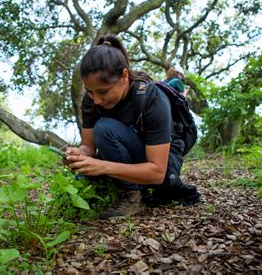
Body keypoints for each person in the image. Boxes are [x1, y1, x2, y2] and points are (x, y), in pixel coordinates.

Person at [64, 35, 198, 219]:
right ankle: (123, 187)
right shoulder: (91, 101)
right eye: (90, 92)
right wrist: (79, 155)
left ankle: (132, 197)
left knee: (104, 128)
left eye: (103, 91)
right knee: (89, 160)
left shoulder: (151, 98)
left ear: (124, 76)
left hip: (161, 166)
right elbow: (88, 146)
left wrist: (102, 166)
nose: (96, 100)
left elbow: (157, 172)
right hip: (129, 158)